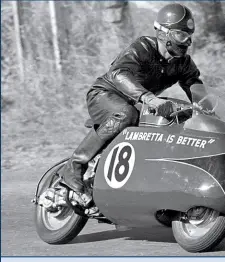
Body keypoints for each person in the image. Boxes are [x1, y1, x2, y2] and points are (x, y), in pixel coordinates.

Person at [58, 3, 204, 194]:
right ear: (163, 34)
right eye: (181, 35)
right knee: (126, 114)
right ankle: (74, 166)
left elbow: (195, 84)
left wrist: (205, 108)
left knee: (167, 125)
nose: (187, 42)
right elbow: (118, 73)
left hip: (137, 103)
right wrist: (149, 99)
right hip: (104, 95)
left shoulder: (183, 63)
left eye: (189, 36)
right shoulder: (143, 47)